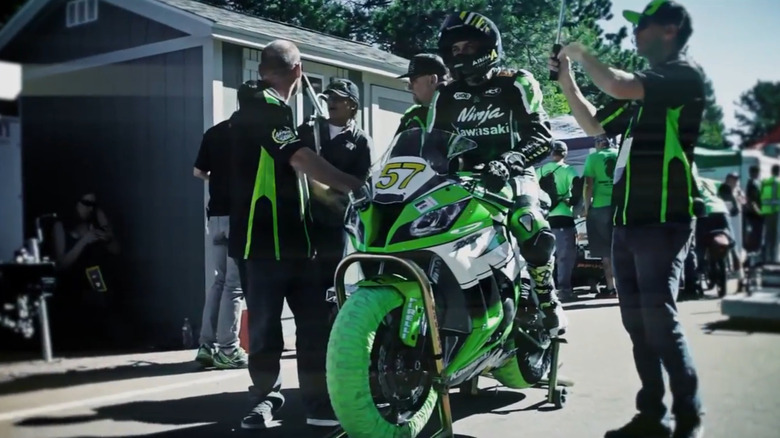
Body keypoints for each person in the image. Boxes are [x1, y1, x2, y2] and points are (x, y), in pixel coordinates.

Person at [550, 1, 705, 436]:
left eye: (644, 28)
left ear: (670, 30)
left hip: (663, 220)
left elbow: (617, 85)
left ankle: (689, 420)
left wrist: (580, 52)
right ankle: (652, 414)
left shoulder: (680, 76)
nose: (636, 36)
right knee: (636, 322)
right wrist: (566, 81)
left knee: (659, 318)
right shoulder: (643, 96)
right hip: (626, 223)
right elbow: (595, 123)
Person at [227, 39, 364, 430]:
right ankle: (272, 401)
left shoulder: (266, 109)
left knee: (308, 326)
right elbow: (300, 159)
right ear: (298, 71)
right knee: (272, 328)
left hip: (298, 245)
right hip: (263, 243)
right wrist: (353, 184)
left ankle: (315, 404)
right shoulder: (264, 107)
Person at [427, 11, 567, 334]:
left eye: (468, 46)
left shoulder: (516, 82)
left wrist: (508, 161)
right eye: (455, 49)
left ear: (488, 46)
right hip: (462, 181)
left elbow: (543, 138)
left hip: (514, 175)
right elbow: (430, 144)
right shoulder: (445, 95)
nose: (460, 54)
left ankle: (546, 296)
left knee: (528, 222)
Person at [191, 84, 255, 370]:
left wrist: (218, 181)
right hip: (238, 216)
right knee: (234, 285)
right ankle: (228, 349)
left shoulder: (214, 132)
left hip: (215, 215)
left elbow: (198, 172)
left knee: (218, 282)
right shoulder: (253, 135)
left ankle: (206, 345)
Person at [298, 78, 372, 306]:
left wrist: (332, 192)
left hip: (335, 219)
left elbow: (360, 182)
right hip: (302, 218)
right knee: (302, 281)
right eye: (330, 97)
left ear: (352, 105)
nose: (332, 102)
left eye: (339, 98)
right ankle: (305, 339)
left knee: (330, 278)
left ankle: (329, 333)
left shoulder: (360, 141)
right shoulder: (309, 130)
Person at [52, 191, 121, 349]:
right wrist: (83, 241)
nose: (89, 209)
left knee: (103, 296)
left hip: (95, 278)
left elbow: (117, 250)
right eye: (86, 203)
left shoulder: (95, 222)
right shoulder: (61, 225)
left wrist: (108, 237)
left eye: (93, 205)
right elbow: (61, 264)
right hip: (70, 283)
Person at [537, 141, 580, 301]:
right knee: (564, 257)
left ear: (550, 153)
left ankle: (548, 291)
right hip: (564, 217)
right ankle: (564, 290)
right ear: (565, 153)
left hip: (544, 218)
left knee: (547, 257)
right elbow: (577, 184)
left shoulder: (539, 170)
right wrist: (573, 201)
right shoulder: (568, 169)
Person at [582, 135, 618, 298]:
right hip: (620, 206)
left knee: (606, 250)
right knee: (623, 247)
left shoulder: (593, 158)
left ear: (598, 144)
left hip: (601, 207)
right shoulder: (619, 154)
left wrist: (587, 208)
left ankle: (611, 287)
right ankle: (628, 287)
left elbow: (588, 185)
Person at [395, 53, 449, 135]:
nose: (410, 87)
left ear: (432, 80)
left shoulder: (459, 110)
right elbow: (397, 147)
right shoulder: (411, 115)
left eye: (413, 80)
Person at [759, 164, 780, 263]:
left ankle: (767, 257)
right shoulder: (779, 182)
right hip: (776, 212)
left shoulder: (765, 182)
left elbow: (761, 196)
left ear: (771, 171)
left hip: (766, 212)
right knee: (776, 237)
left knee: (767, 236)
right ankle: (774, 258)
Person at [743, 165, 763, 253]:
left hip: (753, 213)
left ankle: (754, 249)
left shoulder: (753, 183)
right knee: (756, 233)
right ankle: (753, 250)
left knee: (755, 233)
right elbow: (752, 201)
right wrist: (758, 212)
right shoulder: (752, 184)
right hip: (754, 214)